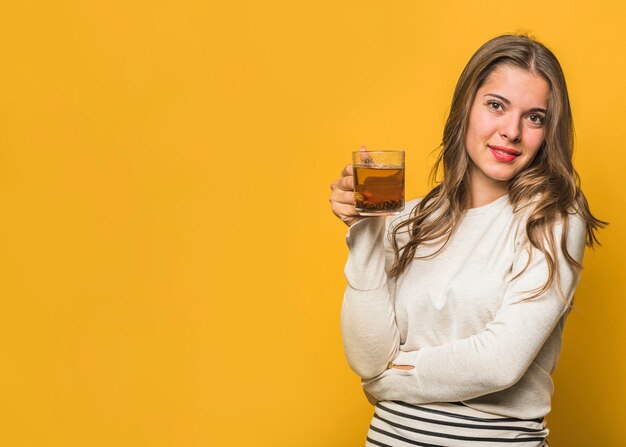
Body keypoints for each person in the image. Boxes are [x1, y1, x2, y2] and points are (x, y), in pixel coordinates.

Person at [329, 33, 606, 447]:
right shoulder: (407, 217)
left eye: (534, 117)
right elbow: (367, 358)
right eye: (496, 106)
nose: (511, 131)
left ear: (549, 131)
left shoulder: (553, 217)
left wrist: (389, 380)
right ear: (466, 108)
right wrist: (367, 230)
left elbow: (498, 364)